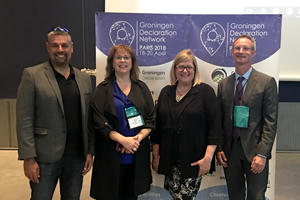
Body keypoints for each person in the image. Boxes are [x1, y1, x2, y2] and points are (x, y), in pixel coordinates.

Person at [16, 27, 94, 200]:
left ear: (71, 47)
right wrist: (28, 159)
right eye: (55, 45)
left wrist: (89, 151)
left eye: (64, 45)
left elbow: (88, 119)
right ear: (48, 47)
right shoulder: (32, 75)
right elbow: (24, 120)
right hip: (45, 158)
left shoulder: (83, 79)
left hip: (76, 157)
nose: (60, 50)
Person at [151, 49, 222, 200]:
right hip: (169, 159)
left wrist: (208, 158)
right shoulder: (166, 92)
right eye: (181, 67)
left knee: (185, 197)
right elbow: (158, 128)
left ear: (195, 70)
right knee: (173, 196)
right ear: (175, 69)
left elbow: (215, 126)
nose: (185, 71)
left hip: (194, 160)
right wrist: (156, 156)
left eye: (189, 67)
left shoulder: (205, 92)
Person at [216, 35, 278, 200]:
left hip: (255, 150)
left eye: (245, 48)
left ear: (253, 53)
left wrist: (263, 154)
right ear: (232, 52)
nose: (241, 51)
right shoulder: (223, 84)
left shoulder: (266, 82)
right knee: (234, 196)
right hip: (230, 151)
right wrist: (220, 147)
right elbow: (220, 120)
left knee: (256, 196)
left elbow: (270, 122)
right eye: (237, 48)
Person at [90, 44, 155, 200]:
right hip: (110, 155)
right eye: (118, 57)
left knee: (131, 196)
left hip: (136, 154)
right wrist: (122, 140)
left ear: (132, 62)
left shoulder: (141, 88)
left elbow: (151, 119)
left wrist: (135, 140)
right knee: (109, 195)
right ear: (112, 62)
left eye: (127, 57)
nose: (122, 60)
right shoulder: (103, 89)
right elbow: (98, 120)